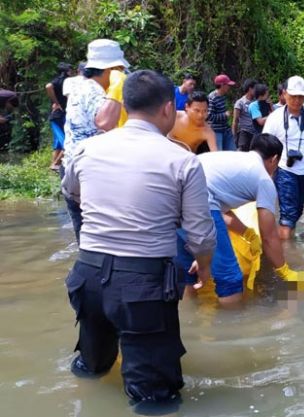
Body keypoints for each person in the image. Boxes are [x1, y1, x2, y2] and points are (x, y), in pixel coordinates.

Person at [62, 69, 216, 410]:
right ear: (166, 109)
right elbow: (200, 236)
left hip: (87, 277)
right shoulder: (182, 160)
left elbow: (71, 193)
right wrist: (204, 269)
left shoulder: (87, 149)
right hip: (143, 285)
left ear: (127, 106)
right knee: (155, 398)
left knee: (91, 366)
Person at [175, 134, 300, 307]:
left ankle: (192, 310)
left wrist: (247, 233)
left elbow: (219, 212)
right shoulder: (263, 179)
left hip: (169, 201)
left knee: (187, 269)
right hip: (199, 205)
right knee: (230, 279)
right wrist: (283, 270)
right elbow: (269, 236)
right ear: (274, 159)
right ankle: (231, 329)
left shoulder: (231, 161)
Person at [62, 39, 128, 242]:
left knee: (89, 238)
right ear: (112, 69)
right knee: (98, 241)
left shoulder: (83, 87)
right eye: (120, 70)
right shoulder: (93, 90)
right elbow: (105, 122)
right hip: (87, 173)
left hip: (78, 170)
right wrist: (117, 89)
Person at [263, 75, 304, 240]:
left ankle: (285, 241)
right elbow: (264, 146)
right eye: (293, 96)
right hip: (284, 169)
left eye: (301, 96)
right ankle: (286, 257)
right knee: (288, 215)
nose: (297, 100)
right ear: (284, 94)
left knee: (297, 211)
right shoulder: (275, 118)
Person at [45, 62, 72, 170]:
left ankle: (54, 166)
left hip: (56, 116)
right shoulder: (69, 81)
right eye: (70, 70)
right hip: (64, 115)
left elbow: (48, 86)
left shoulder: (56, 81)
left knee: (59, 144)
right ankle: (55, 165)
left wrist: (55, 102)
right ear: (67, 71)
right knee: (66, 142)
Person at [207, 74, 235, 151]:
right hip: (216, 132)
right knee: (218, 155)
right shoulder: (212, 98)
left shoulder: (224, 96)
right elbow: (209, 116)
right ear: (222, 85)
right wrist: (224, 115)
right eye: (228, 85)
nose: (229, 87)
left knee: (233, 153)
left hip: (226, 129)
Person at [233, 78, 257, 151]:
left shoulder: (256, 102)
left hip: (255, 133)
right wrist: (234, 136)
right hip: (245, 133)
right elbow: (235, 120)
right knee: (242, 154)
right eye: (255, 88)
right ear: (250, 89)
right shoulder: (240, 102)